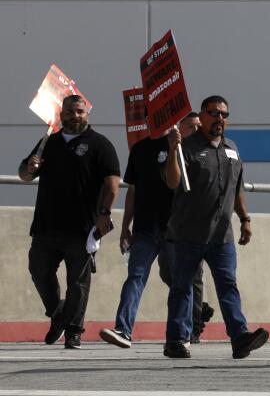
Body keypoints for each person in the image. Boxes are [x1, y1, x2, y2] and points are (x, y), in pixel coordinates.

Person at [162, 95, 269, 359]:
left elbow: (237, 189)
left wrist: (245, 219)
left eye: (224, 114)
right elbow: (172, 182)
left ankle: (240, 338)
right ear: (202, 116)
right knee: (182, 288)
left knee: (228, 285)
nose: (220, 118)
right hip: (188, 233)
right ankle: (176, 340)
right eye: (214, 113)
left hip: (222, 235)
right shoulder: (186, 145)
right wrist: (174, 151)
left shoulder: (232, 148)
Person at [100, 112, 211, 348]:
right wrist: (124, 227)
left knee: (181, 280)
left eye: (197, 126)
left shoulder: (190, 151)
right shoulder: (140, 149)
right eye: (192, 126)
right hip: (145, 228)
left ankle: (186, 332)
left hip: (177, 229)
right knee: (136, 277)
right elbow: (132, 190)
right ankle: (123, 329)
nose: (196, 130)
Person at [18, 95, 121, 349]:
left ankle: (73, 331)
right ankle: (58, 313)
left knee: (78, 282)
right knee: (39, 271)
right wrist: (30, 168)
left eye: (80, 111)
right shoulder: (48, 143)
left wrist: (104, 214)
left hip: (82, 228)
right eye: (71, 111)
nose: (76, 116)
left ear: (87, 114)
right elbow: (24, 175)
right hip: (45, 226)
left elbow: (112, 184)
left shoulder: (100, 144)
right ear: (61, 114)